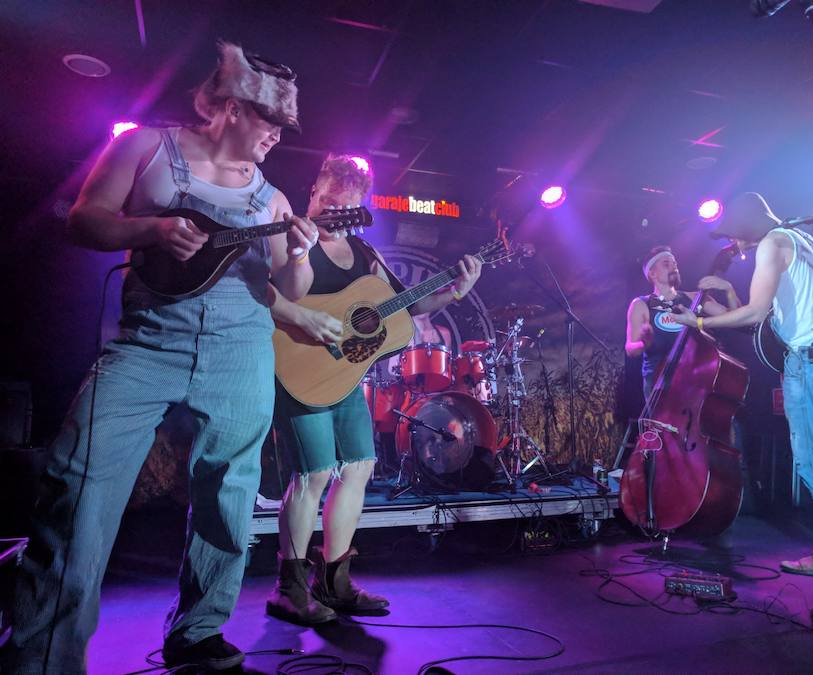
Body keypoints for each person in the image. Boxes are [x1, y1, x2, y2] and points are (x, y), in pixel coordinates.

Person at [1, 42, 322, 672]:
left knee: (230, 496)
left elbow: (291, 289)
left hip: (242, 349)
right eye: (270, 122)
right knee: (79, 485)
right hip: (147, 341)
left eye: (286, 128)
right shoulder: (145, 148)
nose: (278, 138)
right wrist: (148, 229)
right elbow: (83, 220)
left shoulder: (276, 199)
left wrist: (303, 249)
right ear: (230, 107)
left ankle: (198, 633)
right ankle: (42, 656)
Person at [265, 154, 482, 625]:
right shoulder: (291, 240)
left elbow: (404, 306)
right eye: (326, 200)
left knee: (359, 468)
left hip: (344, 378)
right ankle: (290, 588)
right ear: (313, 193)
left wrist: (455, 291)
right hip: (296, 372)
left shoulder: (367, 256)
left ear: (360, 206)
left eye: (345, 205)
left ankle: (335, 580)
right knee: (312, 476)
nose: (331, 211)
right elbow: (264, 295)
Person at [669, 192, 813, 576]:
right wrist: (716, 306)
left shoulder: (770, 244)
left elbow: (755, 312)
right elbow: (769, 316)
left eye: (734, 235)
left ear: (745, 228)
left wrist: (699, 324)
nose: (734, 245)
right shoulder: (801, 238)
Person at [625, 245, 742, 401]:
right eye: (666, 264)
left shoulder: (695, 298)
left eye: (675, 263)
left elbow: (737, 318)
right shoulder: (641, 304)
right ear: (652, 274)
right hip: (659, 386)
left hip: (696, 382)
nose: (674, 266)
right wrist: (643, 343)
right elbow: (630, 349)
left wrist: (729, 289)